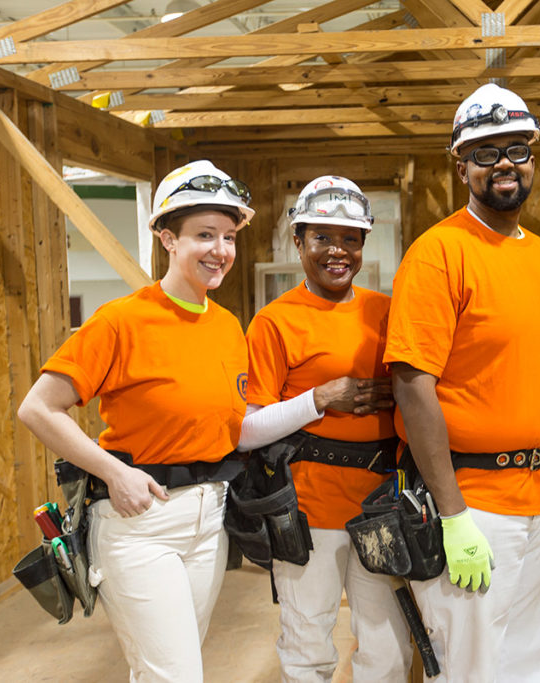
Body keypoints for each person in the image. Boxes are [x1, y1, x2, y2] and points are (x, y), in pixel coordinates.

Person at [384, 83, 540, 682]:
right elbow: (412, 385)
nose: (503, 164)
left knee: (534, 662)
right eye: (484, 152)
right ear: (461, 167)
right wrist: (451, 515)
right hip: (478, 503)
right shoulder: (439, 254)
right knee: (473, 668)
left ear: (533, 157)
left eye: (515, 150)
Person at [17, 160, 253, 681]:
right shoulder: (121, 320)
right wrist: (113, 471)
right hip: (140, 523)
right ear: (168, 238)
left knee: (170, 669)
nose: (220, 250)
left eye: (229, 237)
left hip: (210, 519)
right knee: (175, 675)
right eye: (204, 235)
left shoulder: (229, 326)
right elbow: (37, 407)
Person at [239, 175, 411, 682]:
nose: (338, 251)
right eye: (322, 238)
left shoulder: (387, 312)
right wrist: (319, 399)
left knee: (387, 645)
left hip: (382, 504)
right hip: (307, 510)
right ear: (299, 241)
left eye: (350, 239)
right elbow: (249, 430)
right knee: (307, 643)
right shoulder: (274, 322)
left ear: (363, 244)